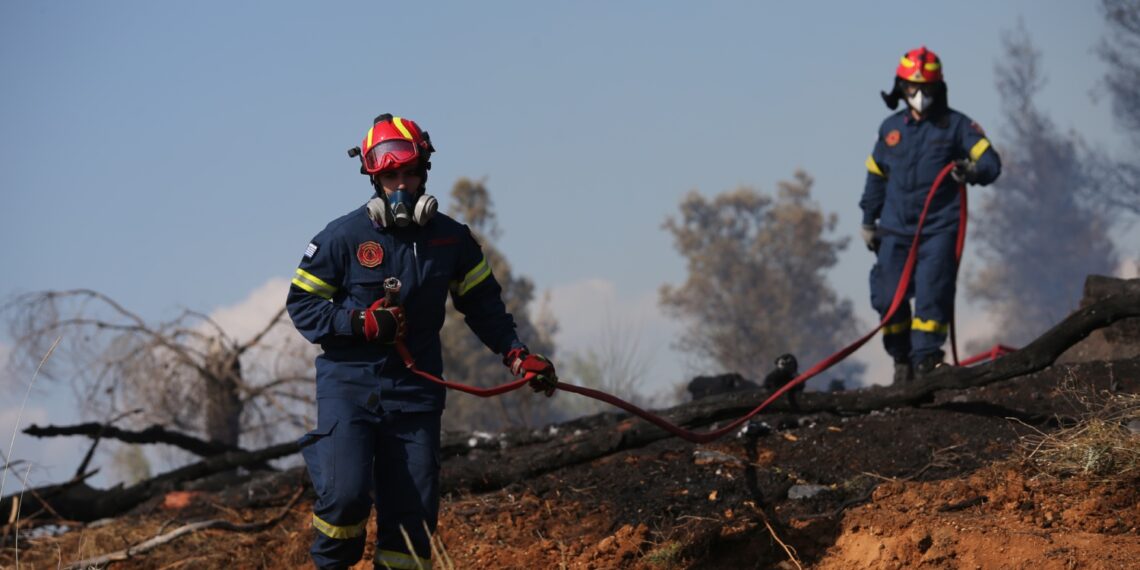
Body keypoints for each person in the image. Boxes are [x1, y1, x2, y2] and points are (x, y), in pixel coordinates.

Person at [286, 113, 557, 569]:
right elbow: (303, 306)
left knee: (411, 526)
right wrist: (359, 323)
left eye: (409, 173)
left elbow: (484, 305)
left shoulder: (452, 240)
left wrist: (517, 355)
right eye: (390, 175)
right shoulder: (341, 238)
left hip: (416, 395)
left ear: (424, 173)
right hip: (349, 390)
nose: (400, 185)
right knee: (346, 497)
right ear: (373, 178)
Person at [859, 46, 1002, 384]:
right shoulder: (890, 129)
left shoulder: (958, 126)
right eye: (912, 88)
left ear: (938, 88)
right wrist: (868, 218)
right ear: (901, 88)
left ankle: (926, 363)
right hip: (894, 231)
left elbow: (991, 163)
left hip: (939, 231)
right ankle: (901, 360)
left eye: (926, 89)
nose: (919, 95)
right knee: (886, 298)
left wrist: (971, 170)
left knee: (931, 296)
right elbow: (875, 175)